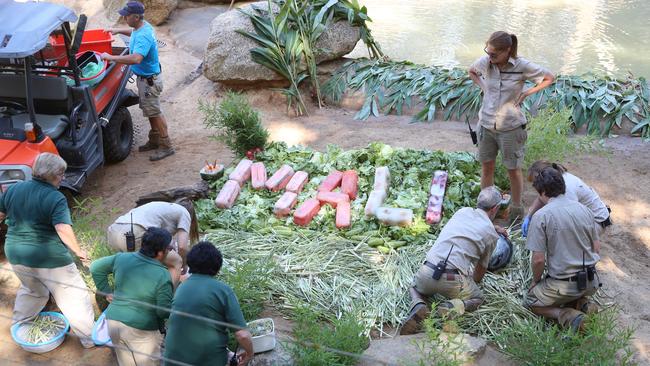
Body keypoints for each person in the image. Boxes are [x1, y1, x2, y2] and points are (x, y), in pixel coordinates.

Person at [0, 152, 95, 348]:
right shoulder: (55, 197)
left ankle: (20, 327)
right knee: (73, 295)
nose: (63, 178)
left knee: (33, 290)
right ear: (50, 174)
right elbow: (62, 228)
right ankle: (89, 338)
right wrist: (79, 252)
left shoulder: (13, 189)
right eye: (61, 174)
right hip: (49, 258)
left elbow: (0, 214)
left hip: (16, 253)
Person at [469, 31, 555, 222]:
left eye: (494, 54)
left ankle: (516, 212)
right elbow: (472, 71)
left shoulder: (522, 66)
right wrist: (484, 87)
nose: (489, 57)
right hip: (486, 124)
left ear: (507, 51)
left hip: (510, 128)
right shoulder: (486, 61)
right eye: (488, 52)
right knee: (486, 167)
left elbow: (549, 77)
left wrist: (527, 93)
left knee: (513, 169)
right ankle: (486, 209)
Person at [400, 186, 505, 335]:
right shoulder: (490, 234)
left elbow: (470, 225)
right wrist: (471, 280)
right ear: (495, 208)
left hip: (427, 271)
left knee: (414, 287)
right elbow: (480, 271)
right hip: (452, 279)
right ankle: (451, 306)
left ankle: (418, 303)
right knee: (478, 298)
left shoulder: (462, 211)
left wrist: (494, 228)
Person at [525, 167, 602, 332]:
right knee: (571, 293)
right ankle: (584, 304)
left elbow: (538, 260)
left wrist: (535, 282)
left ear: (543, 192)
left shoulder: (541, 216)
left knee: (530, 302)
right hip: (590, 281)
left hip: (563, 284)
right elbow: (596, 248)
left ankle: (567, 315)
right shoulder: (585, 210)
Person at [101, 0, 174, 161]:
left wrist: (111, 57)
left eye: (126, 16)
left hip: (149, 82)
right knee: (150, 110)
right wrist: (115, 30)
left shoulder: (144, 36)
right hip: (146, 80)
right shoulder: (141, 26)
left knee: (155, 111)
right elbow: (132, 32)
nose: (124, 18)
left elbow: (136, 58)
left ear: (135, 17)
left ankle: (166, 145)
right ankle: (154, 139)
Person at [91, 227, 174, 366]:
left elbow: (95, 267)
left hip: (113, 323)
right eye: (168, 248)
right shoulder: (162, 274)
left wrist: (106, 292)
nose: (170, 250)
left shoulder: (122, 258)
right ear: (160, 252)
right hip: (141, 332)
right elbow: (162, 311)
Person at [164, 242, 254, 366]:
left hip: (172, 359)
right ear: (217, 266)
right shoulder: (223, 290)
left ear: (190, 263)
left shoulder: (181, 287)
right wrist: (249, 354)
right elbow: (242, 335)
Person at [106, 200, 199, 286]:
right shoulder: (184, 212)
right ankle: (167, 299)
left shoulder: (163, 208)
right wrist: (184, 264)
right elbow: (182, 247)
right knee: (176, 262)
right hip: (134, 234)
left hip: (113, 232)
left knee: (136, 271)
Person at [522, 160, 611, 237]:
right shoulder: (554, 179)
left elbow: (568, 220)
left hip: (597, 222)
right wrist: (529, 216)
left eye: (535, 182)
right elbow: (541, 198)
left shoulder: (567, 189)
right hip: (582, 217)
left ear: (543, 176)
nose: (536, 185)